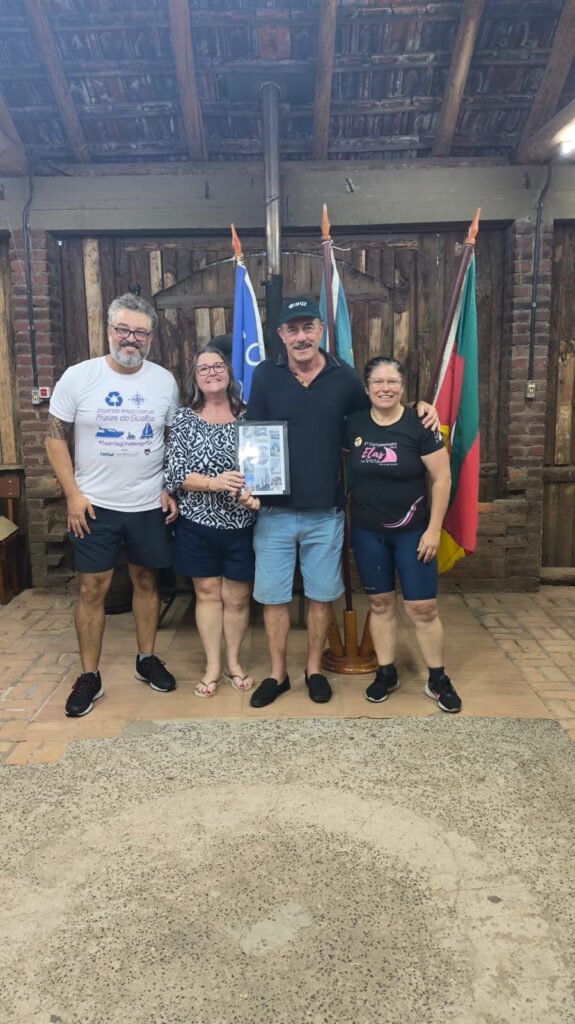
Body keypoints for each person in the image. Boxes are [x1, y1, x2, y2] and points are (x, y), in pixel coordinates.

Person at [245, 296, 439, 709]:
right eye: (292, 329)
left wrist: (421, 408)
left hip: (326, 511)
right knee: (274, 599)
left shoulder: (346, 378)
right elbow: (254, 435)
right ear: (281, 335)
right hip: (274, 510)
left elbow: (381, 412)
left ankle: (314, 670)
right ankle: (277, 675)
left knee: (320, 596)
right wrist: (249, 483)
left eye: (308, 327)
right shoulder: (264, 375)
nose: (301, 337)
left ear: (320, 330)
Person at [46, 293, 179, 717]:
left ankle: (146, 659)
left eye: (141, 332)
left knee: (147, 582)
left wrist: (168, 486)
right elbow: (54, 436)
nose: (131, 339)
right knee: (92, 588)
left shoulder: (164, 382)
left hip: (147, 504)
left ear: (151, 337)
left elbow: (173, 439)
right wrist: (72, 493)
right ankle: (90, 676)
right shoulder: (79, 377)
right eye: (124, 329)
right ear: (109, 331)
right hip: (94, 506)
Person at [343, 355, 462, 713]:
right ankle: (386, 672)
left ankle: (437, 679)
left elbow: (441, 478)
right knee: (380, 604)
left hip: (414, 533)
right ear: (366, 388)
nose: (385, 388)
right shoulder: (353, 424)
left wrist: (434, 530)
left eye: (392, 381)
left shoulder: (420, 424)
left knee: (422, 607)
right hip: (368, 532)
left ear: (402, 387)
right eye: (377, 382)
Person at [164, 348, 259, 697]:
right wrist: (213, 483)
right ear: (195, 378)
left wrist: (255, 493)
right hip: (196, 524)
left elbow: (264, 470)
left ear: (229, 373)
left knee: (237, 598)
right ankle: (213, 666)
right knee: (206, 595)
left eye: (218, 366)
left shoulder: (250, 418)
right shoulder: (184, 419)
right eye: (203, 368)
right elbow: (174, 473)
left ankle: (234, 662)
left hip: (242, 524)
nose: (211, 372)